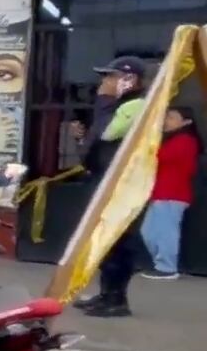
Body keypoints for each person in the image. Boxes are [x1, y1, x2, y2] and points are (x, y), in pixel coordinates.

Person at [72, 55, 148, 317]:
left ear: (129, 80)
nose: (104, 82)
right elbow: (96, 141)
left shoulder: (135, 104)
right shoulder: (119, 105)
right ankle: (107, 294)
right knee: (105, 241)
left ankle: (116, 300)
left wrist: (104, 101)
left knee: (118, 242)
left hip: (121, 183)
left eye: (110, 76)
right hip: (105, 179)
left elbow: (107, 133)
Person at [140, 106, 201, 281]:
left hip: (173, 193)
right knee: (149, 232)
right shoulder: (174, 139)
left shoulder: (186, 140)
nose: (167, 121)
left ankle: (167, 267)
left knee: (165, 232)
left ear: (186, 122)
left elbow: (160, 157)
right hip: (162, 193)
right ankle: (162, 263)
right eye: (167, 117)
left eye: (172, 117)